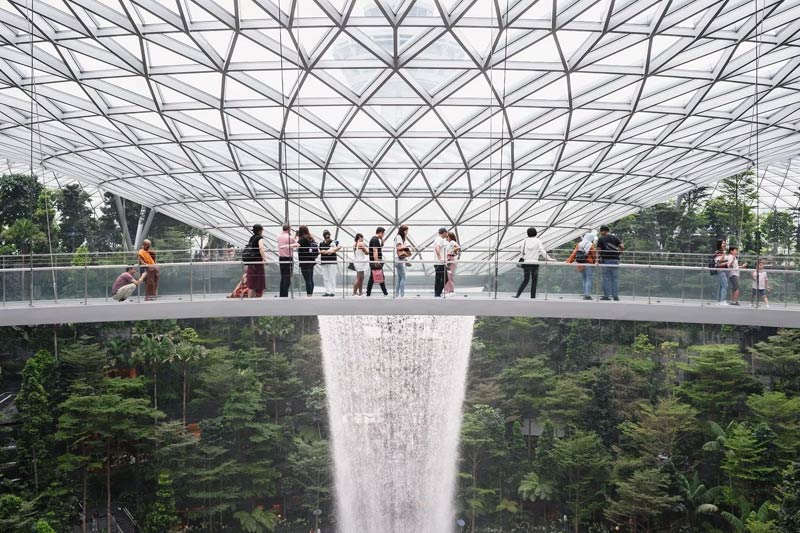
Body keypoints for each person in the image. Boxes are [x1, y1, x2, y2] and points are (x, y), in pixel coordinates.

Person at [514, 227, 555, 299]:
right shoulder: (538, 241)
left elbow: (522, 251)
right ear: (535, 233)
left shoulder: (524, 241)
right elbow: (542, 250)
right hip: (535, 262)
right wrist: (549, 258)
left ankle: (518, 295)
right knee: (534, 281)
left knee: (526, 280)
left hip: (526, 262)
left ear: (528, 233)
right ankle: (532, 297)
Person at [566, 231, 598, 300]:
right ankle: (587, 295)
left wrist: (569, 261)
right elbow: (594, 255)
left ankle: (585, 294)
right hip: (588, 264)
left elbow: (574, 254)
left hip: (580, 264)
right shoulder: (591, 245)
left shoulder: (579, 244)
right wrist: (594, 262)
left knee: (584, 279)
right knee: (588, 279)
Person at [597, 225, 624, 301]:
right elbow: (622, 246)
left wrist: (598, 259)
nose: (600, 233)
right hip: (615, 260)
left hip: (606, 260)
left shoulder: (601, 238)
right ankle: (615, 296)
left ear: (603, 231)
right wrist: (619, 254)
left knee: (606, 279)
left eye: (601, 231)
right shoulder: (615, 237)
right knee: (615, 279)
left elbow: (598, 250)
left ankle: (606, 296)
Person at [244, 224, 268, 298]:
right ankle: (258, 298)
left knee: (251, 283)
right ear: (260, 231)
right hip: (257, 263)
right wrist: (265, 259)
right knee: (259, 282)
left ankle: (250, 299)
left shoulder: (251, 238)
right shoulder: (260, 238)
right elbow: (261, 248)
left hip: (251, 262)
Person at [277, 224, 299, 297]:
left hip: (281, 258)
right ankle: (285, 294)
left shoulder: (279, 236)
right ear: (289, 229)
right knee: (288, 277)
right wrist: (296, 237)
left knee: (283, 277)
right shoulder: (290, 237)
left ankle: (282, 294)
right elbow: (297, 244)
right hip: (288, 258)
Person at [297, 225, 319, 296]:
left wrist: (287, 246)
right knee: (310, 278)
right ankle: (310, 294)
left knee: (307, 279)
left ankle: (309, 295)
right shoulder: (310, 237)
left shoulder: (303, 238)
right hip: (311, 260)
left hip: (304, 261)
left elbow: (297, 244)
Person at [367, 227, 388, 296]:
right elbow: (375, 250)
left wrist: (382, 243)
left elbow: (378, 249)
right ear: (380, 232)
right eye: (383, 233)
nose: (383, 235)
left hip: (374, 261)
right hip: (375, 261)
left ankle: (368, 293)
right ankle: (385, 293)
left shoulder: (375, 239)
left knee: (374, 277)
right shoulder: (375, 239)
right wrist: (376, 262)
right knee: (379, 277)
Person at [319, 230, 341, 297]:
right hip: (324, 261)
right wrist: (324, 252)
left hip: (332, 261)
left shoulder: (334, 241)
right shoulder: (321, 243)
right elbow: (319, 250)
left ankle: (332, 291)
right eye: (326, 236)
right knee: (325, 277)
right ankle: (327, 291)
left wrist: (333, 250)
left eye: (328, 235)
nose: (327, 237)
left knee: (332, 277)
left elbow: (339, 247)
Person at [394, 224, 412, 297]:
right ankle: (402, 294)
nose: (407, 232)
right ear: (403, 231)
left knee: (400, 278)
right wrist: (407, 246)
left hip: (399, 259)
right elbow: (398, 247)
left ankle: (397, 294)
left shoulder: (401, 237)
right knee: (404, 277)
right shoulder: (399, 237)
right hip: (399, 259)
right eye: (406, 231)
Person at [710, 239, 730, 305]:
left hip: (725, 271)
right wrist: (724, 255)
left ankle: (719, 301)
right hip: (720, 271)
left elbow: (725, 261)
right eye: (723, 243)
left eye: (725, 243)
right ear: (720, 244)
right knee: (725, 285)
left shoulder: (723, 251)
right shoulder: (718, 252)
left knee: (721, 286)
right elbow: (718, 263)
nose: (724, 244)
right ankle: (722, 301)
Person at [433, 227, 449, 297]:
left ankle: (437, 293)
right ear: (444, 232)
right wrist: (440, 258)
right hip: (440, 263)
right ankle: (437, 293)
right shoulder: (439, 239)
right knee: (445, 278)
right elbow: (437, 248)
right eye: (447, 232)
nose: (447, 234)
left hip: (439, 263)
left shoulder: (439, 239)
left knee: (438, 278)